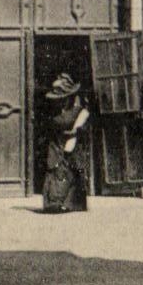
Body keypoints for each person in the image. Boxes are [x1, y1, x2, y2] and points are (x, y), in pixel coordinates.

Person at [42, 72, 90, 213]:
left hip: (72, 144)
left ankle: (72, 202)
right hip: (56, 144)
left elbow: (83, 127)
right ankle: (54, 202)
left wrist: (76, 131)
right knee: (55, 170)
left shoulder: (78, 111)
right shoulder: (55, 111)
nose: (61, 101)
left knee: (72, 170)